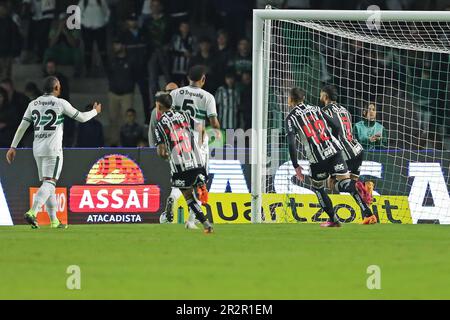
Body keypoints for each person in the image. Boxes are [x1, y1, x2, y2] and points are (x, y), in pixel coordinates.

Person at [6, 76, 102, 229]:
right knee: (50, 183)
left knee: (48, 184)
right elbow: (83, 118)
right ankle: (33, 212)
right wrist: (95, 112)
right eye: (59, 86)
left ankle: (54, 221)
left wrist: (13, 147)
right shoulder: (60, 103)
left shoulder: (33, 103)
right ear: (56, 88)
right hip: (53, 149)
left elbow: (22, 127)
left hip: (37, 149)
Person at [285, 87, 374, 227]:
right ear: (303, 98)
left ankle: (333, 219)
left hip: (317, 159)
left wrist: (296, 165)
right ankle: (368, 213)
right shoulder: (316, 109)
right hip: (335, 152)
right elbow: (336, 126)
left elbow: (291, 142)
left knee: (319, 188)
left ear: (290, 100)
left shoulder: (291, 118)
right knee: (344, 184)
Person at [154, 92, 213, 234]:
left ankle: (206, 224)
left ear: (159, 107)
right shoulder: (184, 115)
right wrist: (198, 146)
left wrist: (167, 156)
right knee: (197, 192)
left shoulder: (160, 125)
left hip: (180, 165)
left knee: (187, 196)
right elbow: (201, 128)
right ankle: (197, 219)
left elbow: (162, 152)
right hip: (197, 160)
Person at [320, 85, 376, 224]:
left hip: (343, 154)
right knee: (351, 185)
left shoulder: (324, 112)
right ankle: (368, 215)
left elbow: (330, 134)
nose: (320, 97)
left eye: (321, 94)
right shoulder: (345, 110)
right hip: (357, 151)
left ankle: (362, 186)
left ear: (325, 96)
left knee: (331, 183)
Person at [120, 13, 151, 124]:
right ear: (127, 22)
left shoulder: (144, 33)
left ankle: (147, 119)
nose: (133, 22)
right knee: (128, 96)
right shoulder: (123, 35)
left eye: (134, 20)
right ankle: (128, 121)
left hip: (142, 69)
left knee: (145, 95)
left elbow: (149, 50)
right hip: (129, 70)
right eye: (130, 20)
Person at [107, 38, 135, 146]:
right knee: (113, 118)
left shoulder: (131, 60)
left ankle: (126, 142)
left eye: (117, 44)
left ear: (123, 46)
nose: (115, 47)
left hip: (127, 94)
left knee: (127, 118)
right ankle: (113, 142)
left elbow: (134, 74)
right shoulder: (112, 60)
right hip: (113, 93)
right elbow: (109, 74)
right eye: (114, 45)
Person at [78, 0, 110, 75]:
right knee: (87, 50)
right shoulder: (83, 2)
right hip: (87, 29)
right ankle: (88, 70)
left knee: (103, 49)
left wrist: (104, 21)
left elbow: (107, 12)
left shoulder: (101, 1)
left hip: (100, 28)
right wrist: (83, 23)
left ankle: (106, 69)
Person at [0, 1, 22, 79]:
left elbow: (15, 37)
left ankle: (7, 84)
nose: (2, 10)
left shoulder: (11, 22)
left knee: (7, 70)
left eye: (4, 8)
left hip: (8, 50)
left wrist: (15, 52)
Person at [170, 21, 196, 86]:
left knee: (187, 88)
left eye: (186, 27)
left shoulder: (192, 38)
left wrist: (191, 54)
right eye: (183, 27)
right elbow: (171, 50)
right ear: (180, 28)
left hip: (188, 67)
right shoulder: (175, 38)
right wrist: (182, 54)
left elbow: (195, 51)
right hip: (176, 67)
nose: (185, 28)